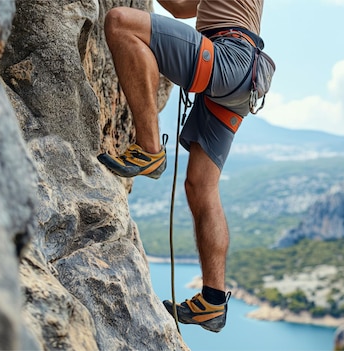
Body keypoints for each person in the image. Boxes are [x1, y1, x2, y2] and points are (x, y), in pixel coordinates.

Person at [97, 0, 272, 333]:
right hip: (242, 79)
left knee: (121, 22)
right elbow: (180, 8)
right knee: (201, 186)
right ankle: (213, 301)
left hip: (228, 57)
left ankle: (149, 148)